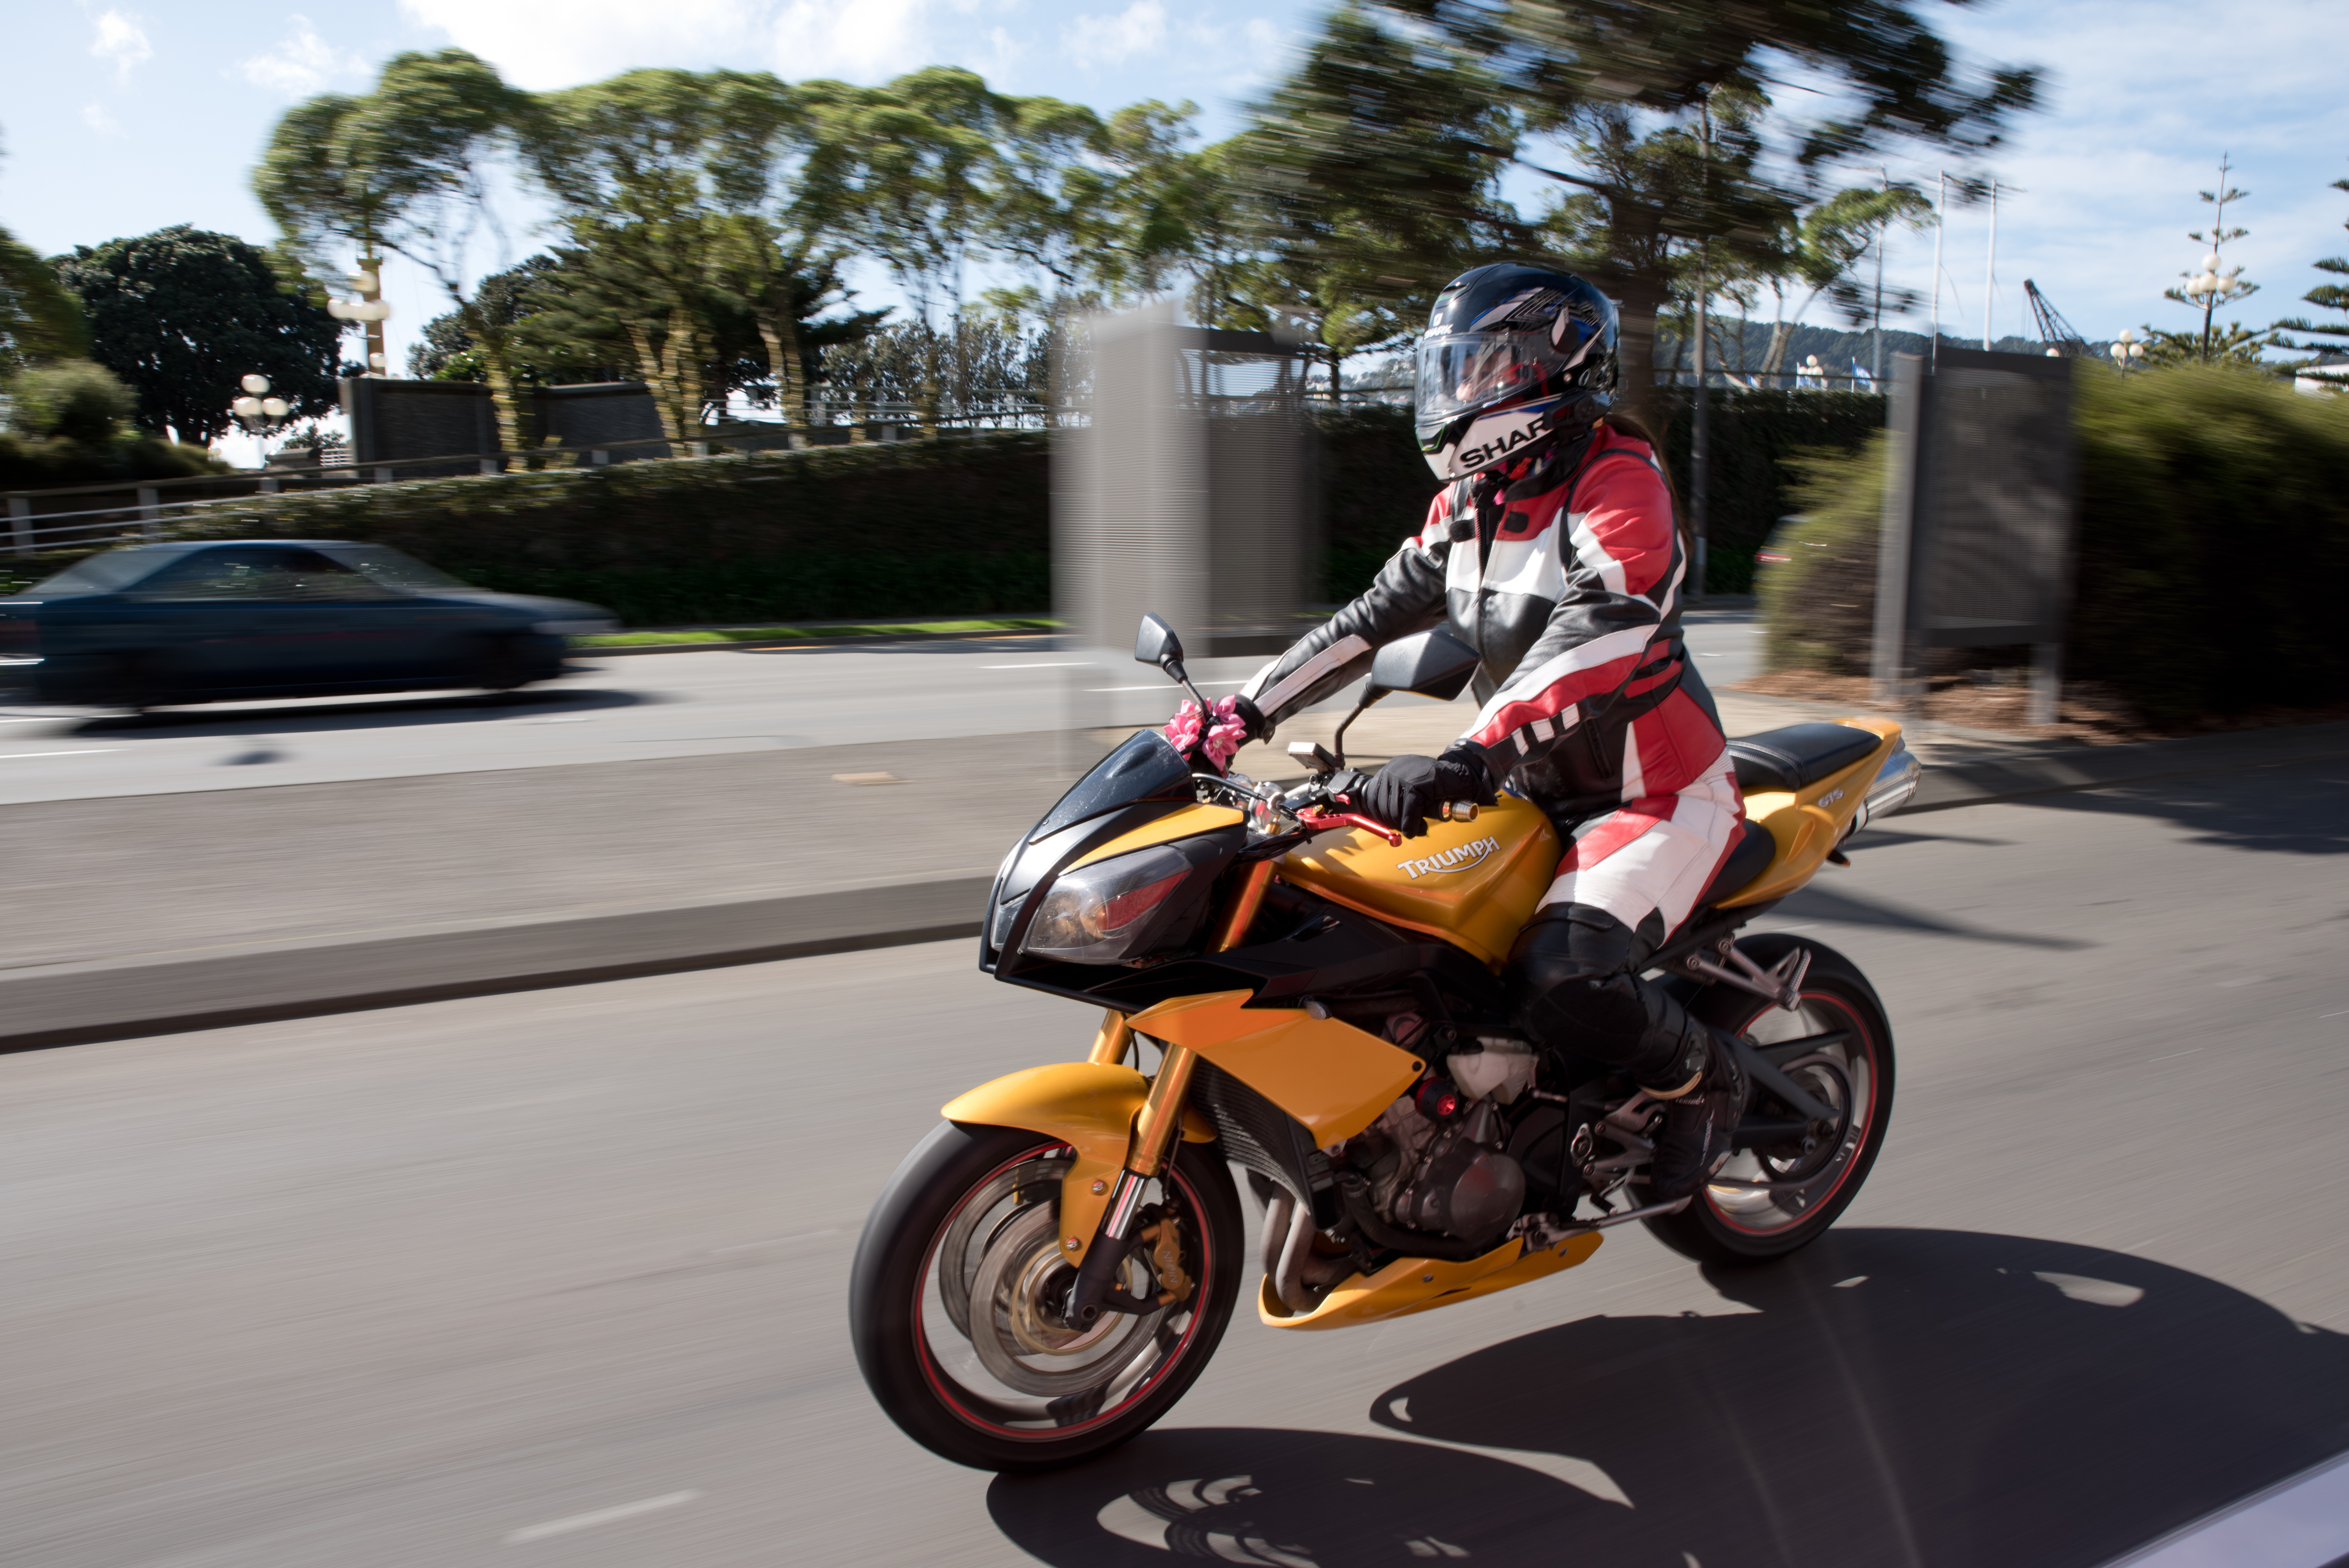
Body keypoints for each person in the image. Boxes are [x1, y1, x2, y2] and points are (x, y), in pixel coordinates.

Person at [1174, 262, 1749, 1199]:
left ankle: (1702, 1083)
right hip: (1524, 791)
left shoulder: (1617, 479)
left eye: (1488, 365)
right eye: (1458, 367)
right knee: (1389, 939)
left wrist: (1466, 754)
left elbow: (1600, 634)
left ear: (1555, 368)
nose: (1465, 388)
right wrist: (1237, 716)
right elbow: (1366, 619)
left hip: (1651, 795)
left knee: (1562, 972)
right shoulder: (1469, 504)